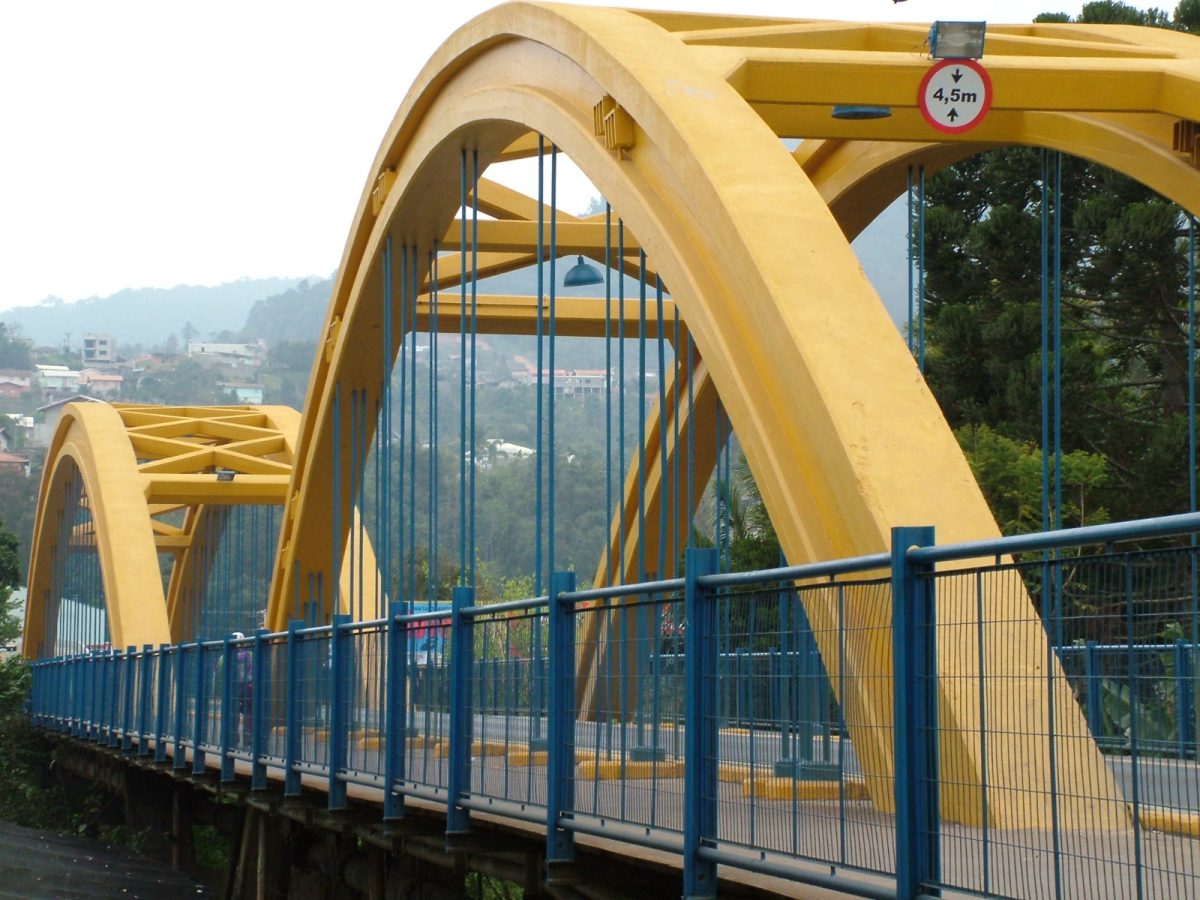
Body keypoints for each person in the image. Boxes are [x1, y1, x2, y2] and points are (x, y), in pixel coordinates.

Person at [231, 632, 253, 745]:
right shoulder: (249, 655)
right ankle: (248, 733)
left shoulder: (229, 656)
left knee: (233, 711)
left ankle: (233, 734)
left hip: (234, 687)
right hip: (248, 686)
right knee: (248, 710)